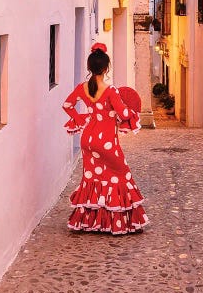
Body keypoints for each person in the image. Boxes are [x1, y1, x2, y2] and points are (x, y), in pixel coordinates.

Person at [62, 42, 149, 234]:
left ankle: (90, 222)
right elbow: (124, 113)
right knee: (120, 177)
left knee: (92, 178)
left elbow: (67, 105)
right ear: (106, 67)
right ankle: (118, 223)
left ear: (89, 67)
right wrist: (133, 110)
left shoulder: (82, 88)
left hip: (88, 140)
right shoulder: (110, 91)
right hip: (107, 142)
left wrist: (81, 118)